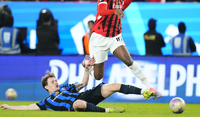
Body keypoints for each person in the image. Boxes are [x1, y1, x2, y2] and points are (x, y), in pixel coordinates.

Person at [82, 0, 162, 99]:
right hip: (99, 37)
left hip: (115, 36)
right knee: (98, 76)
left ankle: (150, 87)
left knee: (128, 60)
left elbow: (122, 6)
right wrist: (114, 11)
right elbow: (101, 10)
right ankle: (87, 65)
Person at [0, 57, 155, 112]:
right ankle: (109, 111)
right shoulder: (46, 102)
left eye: (55, 80)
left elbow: (83, 83)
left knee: (112, 86)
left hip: (83, 96)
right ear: (46, 87)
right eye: (52, 82)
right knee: (78, 104)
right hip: (77, 104)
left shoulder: (67, 88)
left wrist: (86, 70)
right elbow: (27, 108)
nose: (56, 83)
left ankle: (145, 92)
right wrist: (9, 107)